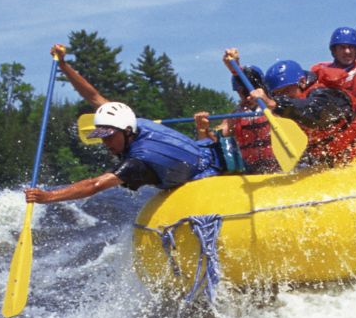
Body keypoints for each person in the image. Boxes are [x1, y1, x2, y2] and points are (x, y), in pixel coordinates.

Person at [25, 43, 221, 204]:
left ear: (127, 132)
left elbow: (95, 185)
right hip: (202, 152)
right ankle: (203, 131)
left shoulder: (137, 161)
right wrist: (64, 65)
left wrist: (49, 196)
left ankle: (204, 131)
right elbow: (93, 96)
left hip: (206, 173)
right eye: (102, 137)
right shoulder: (130, 121)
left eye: (110, 137)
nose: (106, 143)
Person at [245, 58, 356, 169]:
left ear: (302, 82)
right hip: (338, 163)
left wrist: (275, 103)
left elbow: (315, 114)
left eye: (286, 91)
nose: (284, 97)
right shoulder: (294, 105)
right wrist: (235, 69)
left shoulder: (327, 93)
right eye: (278, 95)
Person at [200, 60, 279, 174]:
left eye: (246, 92)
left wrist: (266, 101)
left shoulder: (274, 106)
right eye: (240, 92)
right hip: (251, 170)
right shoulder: (236, 114)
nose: (245, 97)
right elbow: (216, 138)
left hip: (279, 167)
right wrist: (203, 129)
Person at [310, 26, 356, 110]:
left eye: (350, 47)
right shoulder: (322, 72)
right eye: (342, 47)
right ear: (334, 51)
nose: (347, 51)